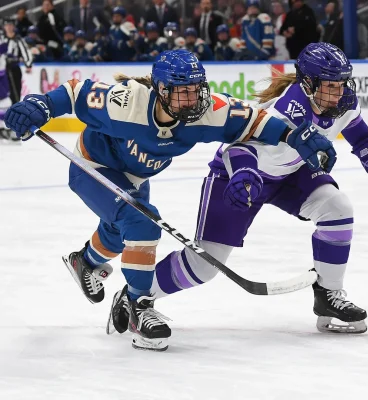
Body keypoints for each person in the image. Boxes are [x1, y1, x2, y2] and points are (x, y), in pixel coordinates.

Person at [4, 49, 336, 351]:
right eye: (183, 92)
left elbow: (254, 121)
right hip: (94, 166)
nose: (193, 99)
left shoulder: (206, 111)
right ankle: (139, 307)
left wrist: (295, 136)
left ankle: (86, 261)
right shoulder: (127, 102)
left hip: (135, 178)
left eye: (197, 89)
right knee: (141, 224)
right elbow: (75, 93)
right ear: (162, 90)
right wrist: (40, 105)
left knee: (119, 232)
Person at [107, 43, 368, 341]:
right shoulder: (284, 112)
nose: (339, 92)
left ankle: (329, 295)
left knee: (337, 208)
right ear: (308, 84)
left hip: (290, 173)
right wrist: (244, 173)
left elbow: (357, 130)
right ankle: (136, 294)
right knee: (204, 266)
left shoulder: (343, 101)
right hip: (238, 176)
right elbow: (238, 147)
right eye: (331, 85)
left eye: (343, 83)